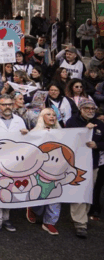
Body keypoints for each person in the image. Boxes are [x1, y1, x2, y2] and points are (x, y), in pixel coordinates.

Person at [0, 94, 30, 235]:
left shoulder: (19, 120)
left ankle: (6, 218)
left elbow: (25, 142)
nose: (7, 107)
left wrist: (27, 134)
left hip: (14, 161)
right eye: (4, 104)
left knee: (10, 189)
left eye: (9, 104)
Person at [64, 97, 104, 238]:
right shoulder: (72, 122)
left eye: (92, 109)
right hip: (76, 164)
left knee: (89, 191)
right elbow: (67, 140)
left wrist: (97, 145)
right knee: (79, 191)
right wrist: (83, 131)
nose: (90, 111)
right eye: (87, 108)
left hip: (93, 164)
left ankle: (82, 217)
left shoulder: (99, 123)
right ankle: (80, 223)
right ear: (80, 109)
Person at [23, 108, 64, 235]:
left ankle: (50, 222)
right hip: (39, 169)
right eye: (48, 114)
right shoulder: (34, 132)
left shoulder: (64, 134)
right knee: (40, 191)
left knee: (56, 194)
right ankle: (34, 208)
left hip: (57, 168)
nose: (52, 117)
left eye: (54, 115)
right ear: (41, 117)